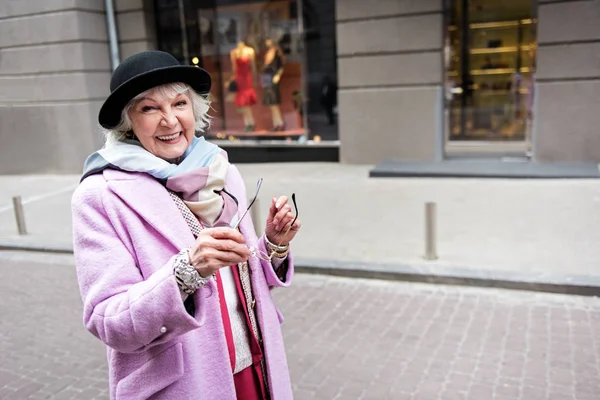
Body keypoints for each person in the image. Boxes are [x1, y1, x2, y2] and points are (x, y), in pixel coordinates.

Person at [71, 50, 301, 399]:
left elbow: (241, 274)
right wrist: (186, 271)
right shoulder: (101, 195)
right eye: (149, 109)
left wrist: (273, 244)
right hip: (187, 383)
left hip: (253, 365)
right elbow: (109, 321)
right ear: (127, 121)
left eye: (179, 104)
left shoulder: (220, 171)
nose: (169, 120)